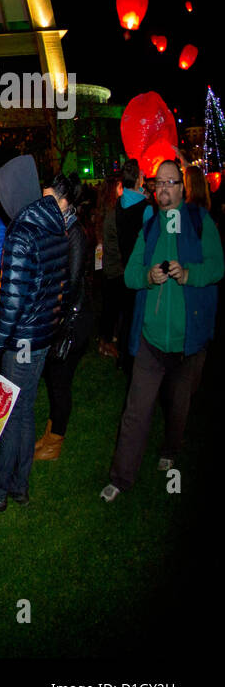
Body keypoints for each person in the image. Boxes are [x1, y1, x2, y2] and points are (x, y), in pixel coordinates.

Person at [103, 158, 223, 500]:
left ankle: (171, 449)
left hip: (189, 341)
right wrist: (147, 276)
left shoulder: (201, 223)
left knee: (178, 406)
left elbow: (218, 266)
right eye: (160, 183)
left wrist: (188, 274)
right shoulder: (150, 226)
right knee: (136, 410)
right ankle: (120, 478)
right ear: (153, 190)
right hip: (151, 340)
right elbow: (129, 275)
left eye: (172, 182)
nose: (165, 189)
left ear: (182, 189)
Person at [0, 155, 68, 511]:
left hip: (22, 337)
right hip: (41, 336)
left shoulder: (21, 232)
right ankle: (20, 486)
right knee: (23, 410)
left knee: (7, 416)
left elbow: (11, 303)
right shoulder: (52, 221)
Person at [34, 174, 91, 461]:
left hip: (70, 321)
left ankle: (55, 442)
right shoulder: (56, 229)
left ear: (66, 202)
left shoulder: (74, 233)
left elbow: (71, 280)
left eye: (50, 200)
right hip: (57, 317)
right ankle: (50, 433)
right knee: (54, 378)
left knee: (60, 380)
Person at [113, 158, 154, 375]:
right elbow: (150, 240)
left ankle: (123, 356)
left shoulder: (119, 203)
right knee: (137, 314)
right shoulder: (145, 208)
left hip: (123, 263)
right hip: (138, 265)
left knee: (125, 312)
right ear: (139, 178)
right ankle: (134, 358)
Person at [97, 176, 125, 359]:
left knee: (109, 305)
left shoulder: (104, 210)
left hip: (107, 265)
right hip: (113, 266)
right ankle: (106, 341)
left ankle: (106, 339)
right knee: (111, 307)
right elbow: (114, 240)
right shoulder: (112, 212)